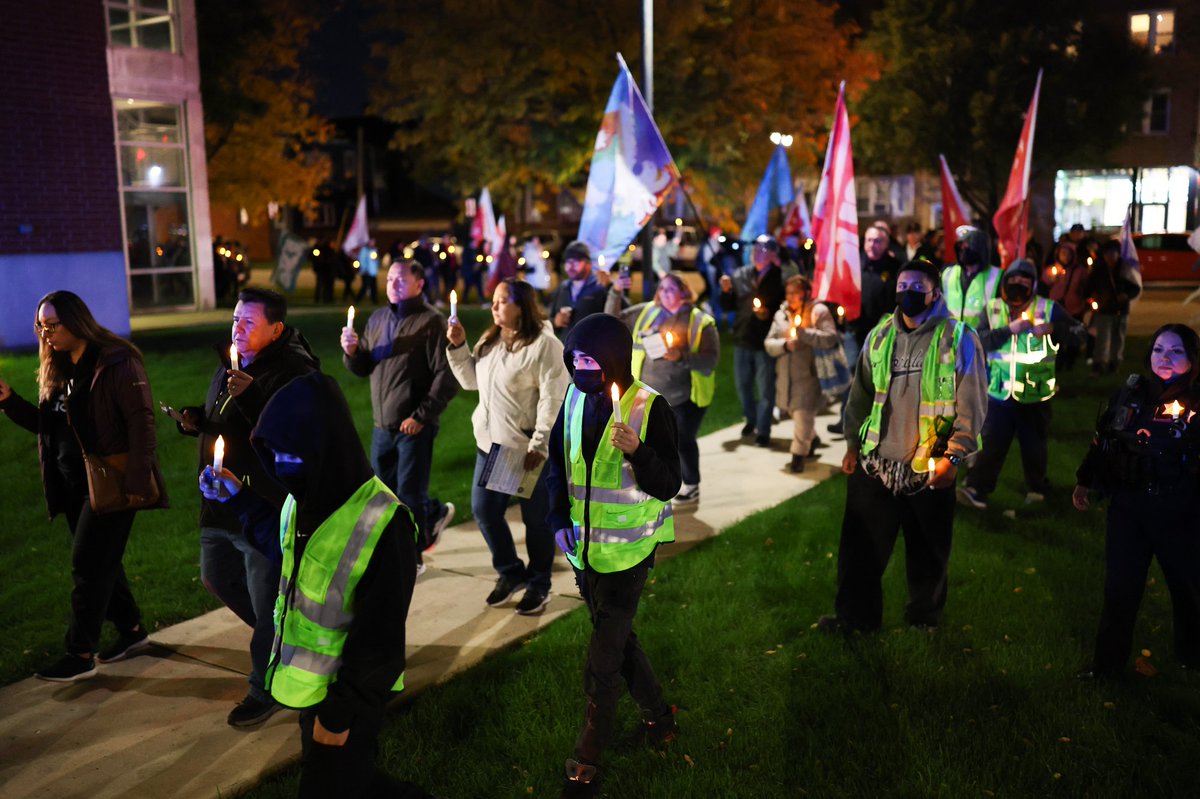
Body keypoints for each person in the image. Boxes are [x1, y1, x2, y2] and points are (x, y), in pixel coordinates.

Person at [200, 372, 431, 798]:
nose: (283, 466)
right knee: (352, 782)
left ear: (325, 445)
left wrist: (340, 715)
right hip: (314, 689)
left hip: (351, 696)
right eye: (275, 455)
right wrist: (240, 499)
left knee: (330, 784)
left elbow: (379, 639)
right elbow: (284, 548)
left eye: (292, 454)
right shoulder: (300, 500)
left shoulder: (383, 522)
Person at [545, 312, 681, 798]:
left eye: (591, 359)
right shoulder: (574, 399)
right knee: (620, 644)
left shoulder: (649, 407)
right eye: (575, 359)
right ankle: (660, 718)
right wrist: (557, 519)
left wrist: (639, 451)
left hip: (628, 557)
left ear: (614, 360)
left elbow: (669, 483)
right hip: (586, 555)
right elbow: (557, 466)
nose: (582, 368)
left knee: (602, 661)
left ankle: (587, 758)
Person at [0, 291, 168, 682]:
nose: (46, 333)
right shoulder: (58, 366)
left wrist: (137, 482)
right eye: (41, 326)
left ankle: (79, 651)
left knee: (87, 565)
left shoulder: (115, 361)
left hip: (112, 481)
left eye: (53, 325)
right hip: (73, 485)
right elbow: (50, 427)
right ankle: (131, 631)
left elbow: (142, 423)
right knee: (102, 561)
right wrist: (9, 401)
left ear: (77, 321)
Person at [817, 260, 987, 633]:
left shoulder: (958, 338)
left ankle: (923, 620)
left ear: (935, 293)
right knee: (859, 549)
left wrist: (954, 455)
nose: (907, 292)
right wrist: (851, 444)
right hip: (875, 464)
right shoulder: (879, 336)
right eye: (902, 284)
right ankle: (854, 619)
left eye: (917, 286)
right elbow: (859, 395)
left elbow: (971, 404)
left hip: (929, 466)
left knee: (928, 550)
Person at [174, 288, 318, 726]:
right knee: (215, 577)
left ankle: (266, 686)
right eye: (235, 318)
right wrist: (196, 420)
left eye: (248, 322)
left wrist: (253, 396)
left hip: (261, 503)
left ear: (276, 329)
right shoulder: (231, 362)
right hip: (219, 498)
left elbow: (291, 437)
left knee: (266, 596)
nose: (237, 328)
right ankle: (287, 637)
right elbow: (223, 421)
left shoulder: (295, 372)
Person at [1073, 324, 1200, 680]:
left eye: (1176, 351)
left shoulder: (1196, 400)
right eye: (1159, 349)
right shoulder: (1131, 393)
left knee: (1187, 588)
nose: (1166, 358)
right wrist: (1085, 479)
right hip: (1129, 511)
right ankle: (1107, 667)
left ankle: (1191, 657)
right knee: (1120, 590)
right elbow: (1104, 439)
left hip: (1180, 512)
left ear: (1192, 358)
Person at [446, 278, 569, 614]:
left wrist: (540, 444)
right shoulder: (492, 338)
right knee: (485, 510)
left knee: (537, 522)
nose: (494, 307)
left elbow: (553, 398)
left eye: (502, 301)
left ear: (522, 306)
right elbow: (472, 381)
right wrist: (458, 347)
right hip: (492, 445)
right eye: (494, 300)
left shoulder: (546, 345)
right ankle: (510, 572)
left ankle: (539, 582)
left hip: (526, 450)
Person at [341, 260, 459, 567]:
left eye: (401, 280)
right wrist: (352, 353)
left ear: (419, 284)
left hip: (414, 426)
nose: (392, 284)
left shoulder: (431, 322)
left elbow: (447, 375)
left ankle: (412, 556)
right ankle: (431, 515)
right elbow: (363, 367)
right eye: (390, 278)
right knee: (384, 494)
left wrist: (421, 416)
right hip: (383, 426)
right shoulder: (379, 318)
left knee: (408, 493)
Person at [957, 260, 1083, 509]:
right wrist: (1009, 330)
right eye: (1012, 282)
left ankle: (1037, 490)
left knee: (1034, 446)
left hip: (1035, 395)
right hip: (998, 393)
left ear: (1033, 286)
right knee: (991, 444)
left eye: (1023, 283)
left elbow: (1079, 333)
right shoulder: (993, 310)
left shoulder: (1049, 309)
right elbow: (977, 341)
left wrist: (1055, 329)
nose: (1017, 287)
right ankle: (976, 489)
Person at [606, 272, 719, 505]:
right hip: (648, 395)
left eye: (671, 289)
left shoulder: (700, 321)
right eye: (662, 289)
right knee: (651, 443)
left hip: (684, 395)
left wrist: (681, 356)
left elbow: (711, 359)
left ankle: (691, 483)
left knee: (683, 439)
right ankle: (656, 483)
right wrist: (615, 291)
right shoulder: (647, 312)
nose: (665, 293)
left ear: (684, 292)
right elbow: (612, 318)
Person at [828, 222, 899, 436]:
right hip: (853, 329)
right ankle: (846, 419)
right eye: (869, 240)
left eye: (878, 241)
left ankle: (870, 420)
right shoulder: (855, 263)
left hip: (880, 334)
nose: (872, 245)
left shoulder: (894, 269)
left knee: (872, 376)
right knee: (851, 370)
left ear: (886, 244)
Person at [764, 275, 840, 473]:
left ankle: (798, 455)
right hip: (785, 375)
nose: (790, 297)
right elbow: (769, 343)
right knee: (794, 412)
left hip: (810, 376)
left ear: (806, 293)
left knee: (802, 413)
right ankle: (812, 439)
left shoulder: (818, 311)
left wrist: (805, 334)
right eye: (788, 293)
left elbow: (830, 337)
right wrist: (786, 345)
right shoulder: (781, 315)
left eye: (795, 293)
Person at [719, 233, 785, 447]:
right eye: (755, 249)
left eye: (763, 250)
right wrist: (726, 291)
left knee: (765, 388)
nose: (757, 253)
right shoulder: (742, 274)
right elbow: (728, 306)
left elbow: (783, 306)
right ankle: (751, 419)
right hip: (743, 337)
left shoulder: (779, 277)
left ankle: (763, 429)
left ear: (773, 254)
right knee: (743, 385)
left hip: (764, 341)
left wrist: (768, 312)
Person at [548, 240, 626, 339]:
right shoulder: (562, 288)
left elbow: (622, 315)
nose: (570, 266)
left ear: (588, 264)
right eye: (568, 261)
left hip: (593, 350)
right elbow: (550, 319)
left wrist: (615, 288)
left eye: (575, 261)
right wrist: (555, 322)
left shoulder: (601, 285)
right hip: (566, 350)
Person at [1086, 240, 1141, 376]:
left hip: (1121, 310)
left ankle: (1114, 363)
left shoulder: (1125, 270)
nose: (1110, 256)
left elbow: (1135, 287)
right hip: (1105, 310)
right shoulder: (1099, 270)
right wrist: (1091, 298)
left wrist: (1126, 295)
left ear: (1118, 254)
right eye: (1107, 253)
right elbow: (1088, 288)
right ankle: (1099, 364)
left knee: (1119, 338)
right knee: (1102, 338)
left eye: (1113, 253)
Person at [941, 225, 1001, 329]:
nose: (963, 250)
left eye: (968, 246)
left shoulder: (997, 276)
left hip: (980, 341)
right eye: (961, 246)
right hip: (950, 340)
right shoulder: (947, 274)